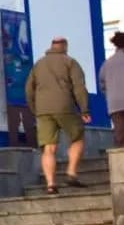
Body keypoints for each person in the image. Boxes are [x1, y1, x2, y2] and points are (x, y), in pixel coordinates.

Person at [24, 35, 91, 195]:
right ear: (65, 47)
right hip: (64, 106)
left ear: (51, 47)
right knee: (77, 137)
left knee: (48, 148)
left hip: (43, 110)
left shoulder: (38, 65)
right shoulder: (70, 62)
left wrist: (35, 109)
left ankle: (51, 184)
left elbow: (28, 89)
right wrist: (84, 109)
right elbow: (79, 88)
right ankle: (71, 173)